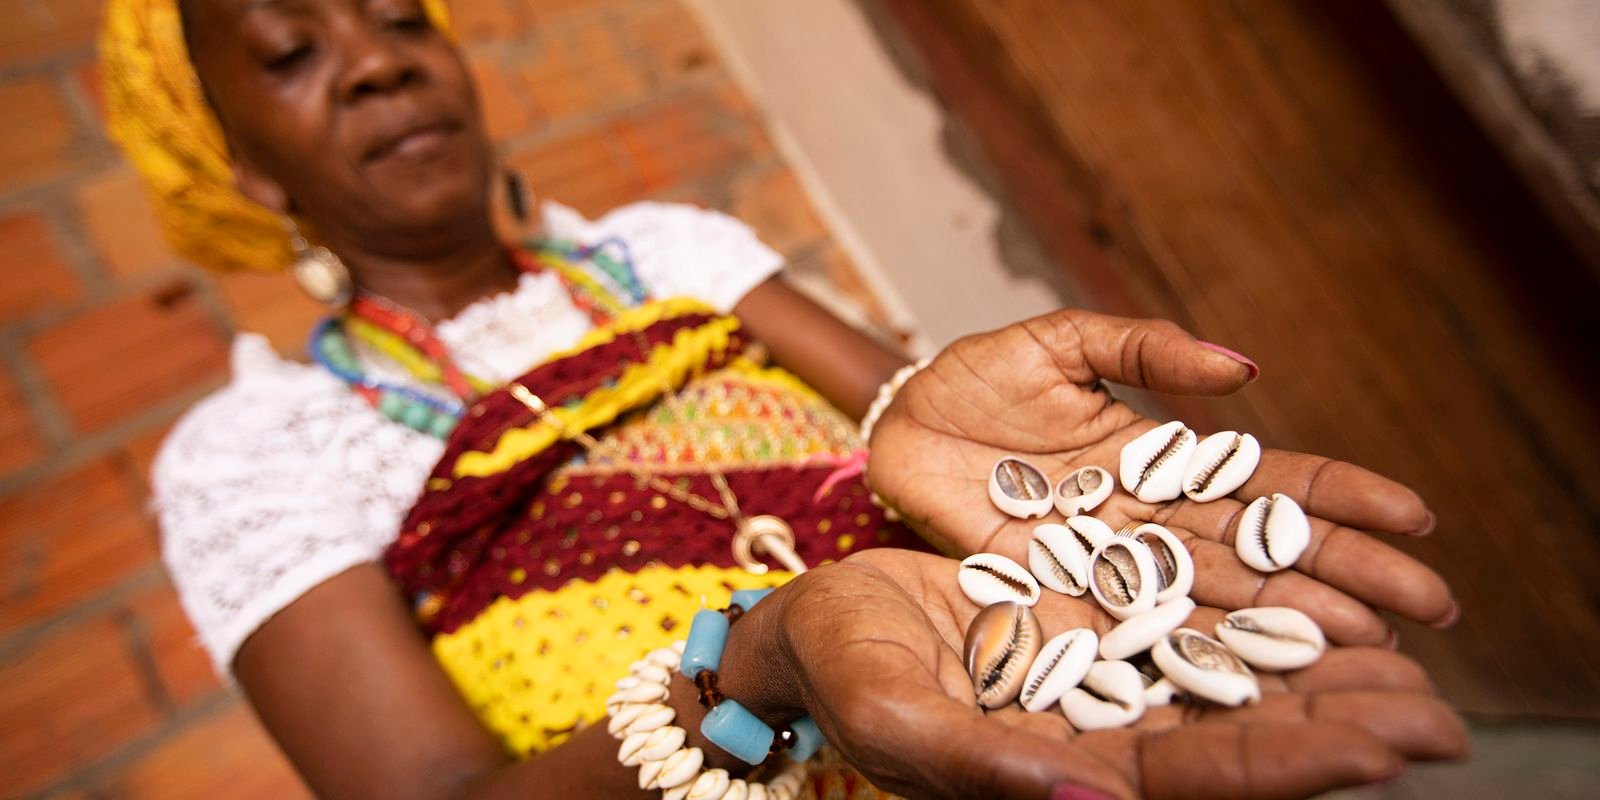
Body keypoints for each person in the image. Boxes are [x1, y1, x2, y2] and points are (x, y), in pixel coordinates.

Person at [100, 0, 1466, 796]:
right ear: (235, 164)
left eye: (404, 17)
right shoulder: (256, 454)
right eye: (290, 52)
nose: (381, 59)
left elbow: (920, 435)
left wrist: (971, 425)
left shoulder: (671, 256)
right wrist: (754, 671)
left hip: (1033, 713)